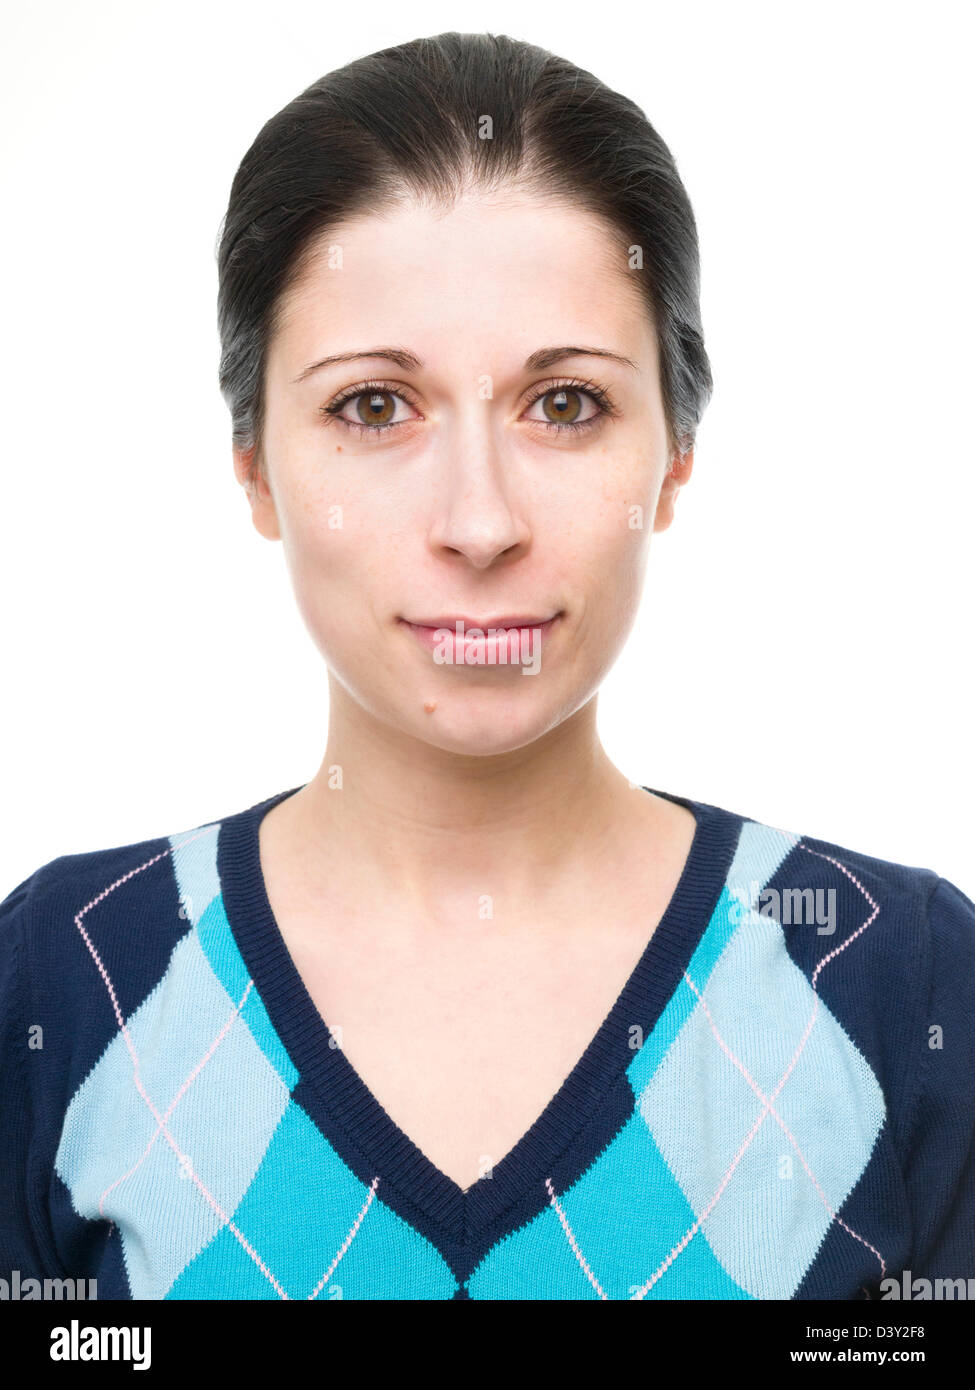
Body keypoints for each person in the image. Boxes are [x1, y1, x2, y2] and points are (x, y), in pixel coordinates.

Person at [1, 31, 972, 1302]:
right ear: (254, 467)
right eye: (372, 407)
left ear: (676, 454)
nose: (480, 520)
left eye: (565, 403)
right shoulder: (71, 979)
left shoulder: (893, 978)